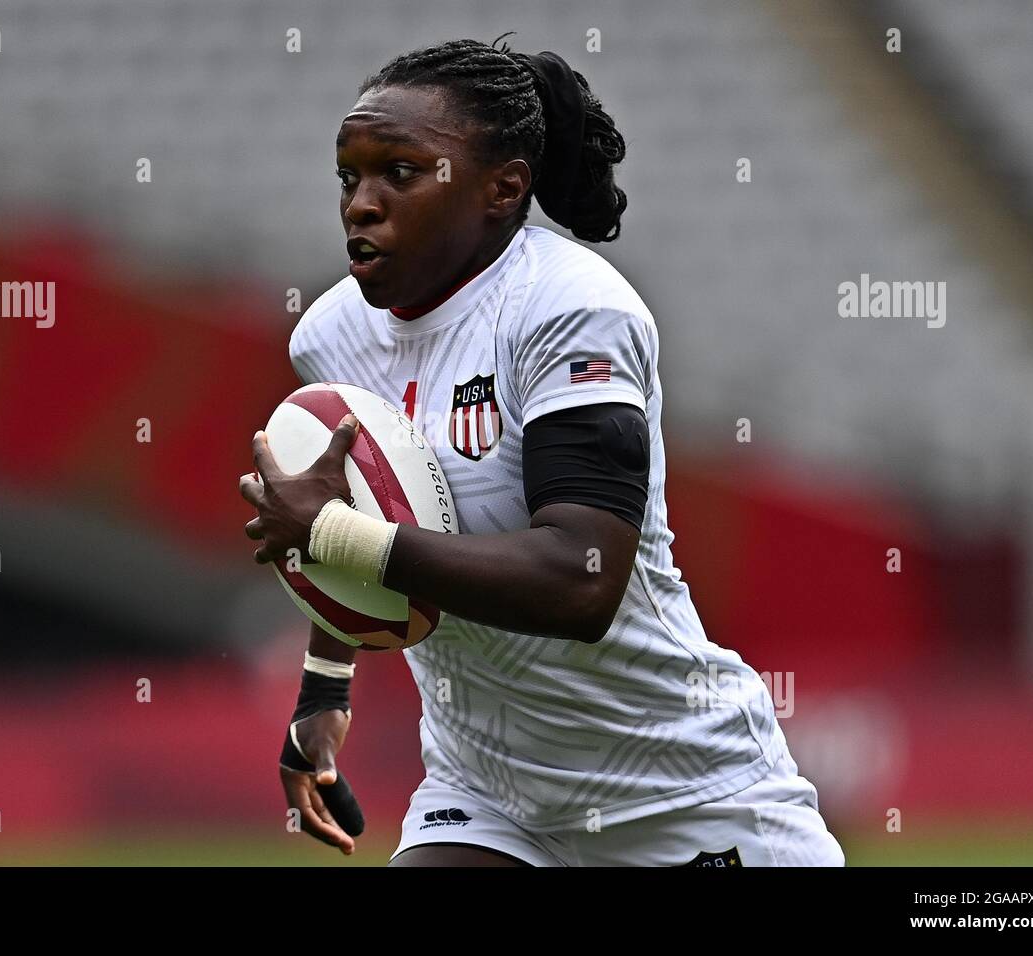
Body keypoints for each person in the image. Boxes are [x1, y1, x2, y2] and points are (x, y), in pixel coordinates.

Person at [239, 35, 843, 866]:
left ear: (503, 188)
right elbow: (365, 515)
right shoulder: (332, 337)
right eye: (350, 177)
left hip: (680, 791)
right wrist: (325, 686)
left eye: (400, 173)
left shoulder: (571, 311)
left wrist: (334, 536)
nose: (361, 204)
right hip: (491, 794)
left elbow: (581, 580)